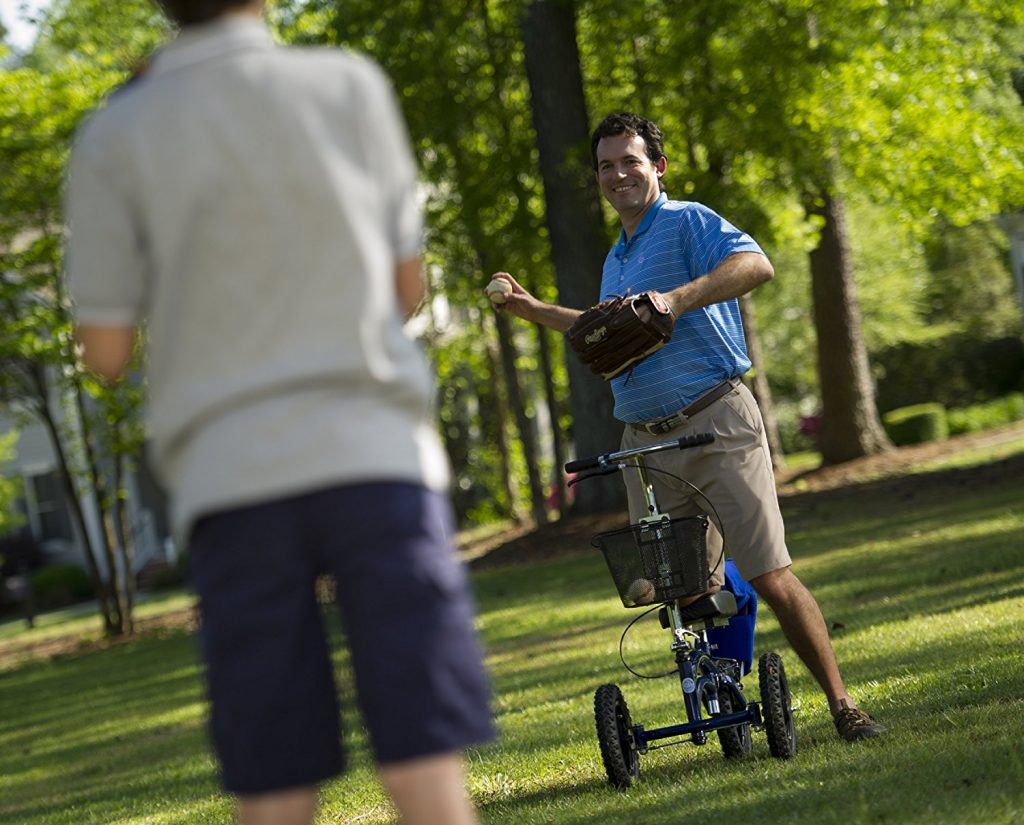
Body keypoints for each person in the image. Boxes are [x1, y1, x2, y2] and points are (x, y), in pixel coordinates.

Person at [64, 2, 494, 823]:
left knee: (274, 785)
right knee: (423, 765)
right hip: (374, 455)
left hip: (232, 478)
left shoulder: (115, 133)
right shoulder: (348, 84)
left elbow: (106, 352)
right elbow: (409, 290)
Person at [488, 111, 884, 743]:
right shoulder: (617, 257)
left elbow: (756, 265)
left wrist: (679, 298)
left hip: (715, 424)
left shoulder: (687, 221)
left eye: (630, 161)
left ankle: (843, 706)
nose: (618, 174)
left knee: (769, 574)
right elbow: (599, 326)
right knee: (681, 591)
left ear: (658, 167)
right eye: (607, 165)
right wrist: (529, 308)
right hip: (646, 443)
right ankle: (727, 707)